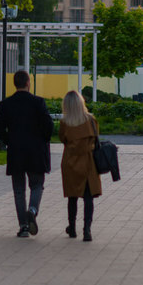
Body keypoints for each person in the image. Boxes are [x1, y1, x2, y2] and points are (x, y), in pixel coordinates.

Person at [0, 70, 53, 238]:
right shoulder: (38, 102)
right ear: (28, 83)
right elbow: (49, 126)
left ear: (15, 83)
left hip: (16, 153)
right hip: (36, 152)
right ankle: (32, 210)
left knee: (19, 190)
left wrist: (9, 140)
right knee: (37, 185)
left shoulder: (6, 104)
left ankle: (24, 226)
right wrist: (43, 139)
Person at [59, 90, 102, 242]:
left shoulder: (65, 122)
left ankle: (72, 228)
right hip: (88, 161)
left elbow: (63, 139)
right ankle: (87, 230)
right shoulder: (90, 120)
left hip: (70, 162)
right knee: (88, 197)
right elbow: (97, 138)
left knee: (72, 197)